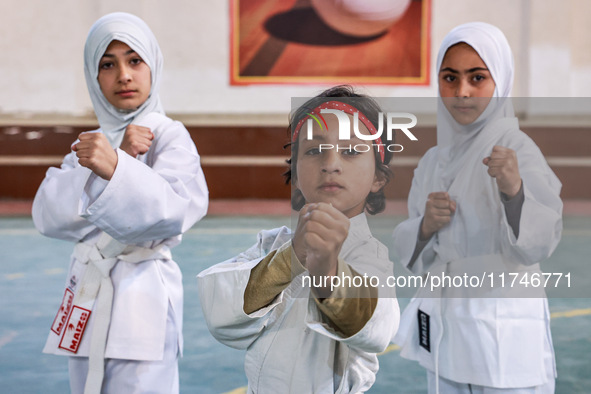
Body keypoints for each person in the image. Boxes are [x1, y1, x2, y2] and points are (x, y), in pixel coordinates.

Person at [32, 12, 208, 394]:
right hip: (86, 293)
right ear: (93, 77)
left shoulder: (169, 135)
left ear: (152, 66)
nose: (124, 75)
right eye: (107, 65)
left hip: (140, 297)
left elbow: (172, 213)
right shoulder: (91, 141)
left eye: (134, 60)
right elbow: (48, 214)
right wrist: (108, 158)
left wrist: (117, 167)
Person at [392, 22, 563, 393]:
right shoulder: (433, 161)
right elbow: (410, 247)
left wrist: (514, 190)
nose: (462, 92)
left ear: (499, 80)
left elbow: (540, 241)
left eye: (477, 78)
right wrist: (425, 227)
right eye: (450, 78)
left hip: (504, 322)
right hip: (448, 322)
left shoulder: (518, 149)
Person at [197, 85, 400, 393]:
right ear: (295, 167)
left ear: (377, 178)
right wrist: (290, 259)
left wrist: (327, 270)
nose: (330, 164)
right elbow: (220, 312)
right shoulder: (271, 246)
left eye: (351, 151)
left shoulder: (370, 257)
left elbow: (376, 327)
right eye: (314, 150)